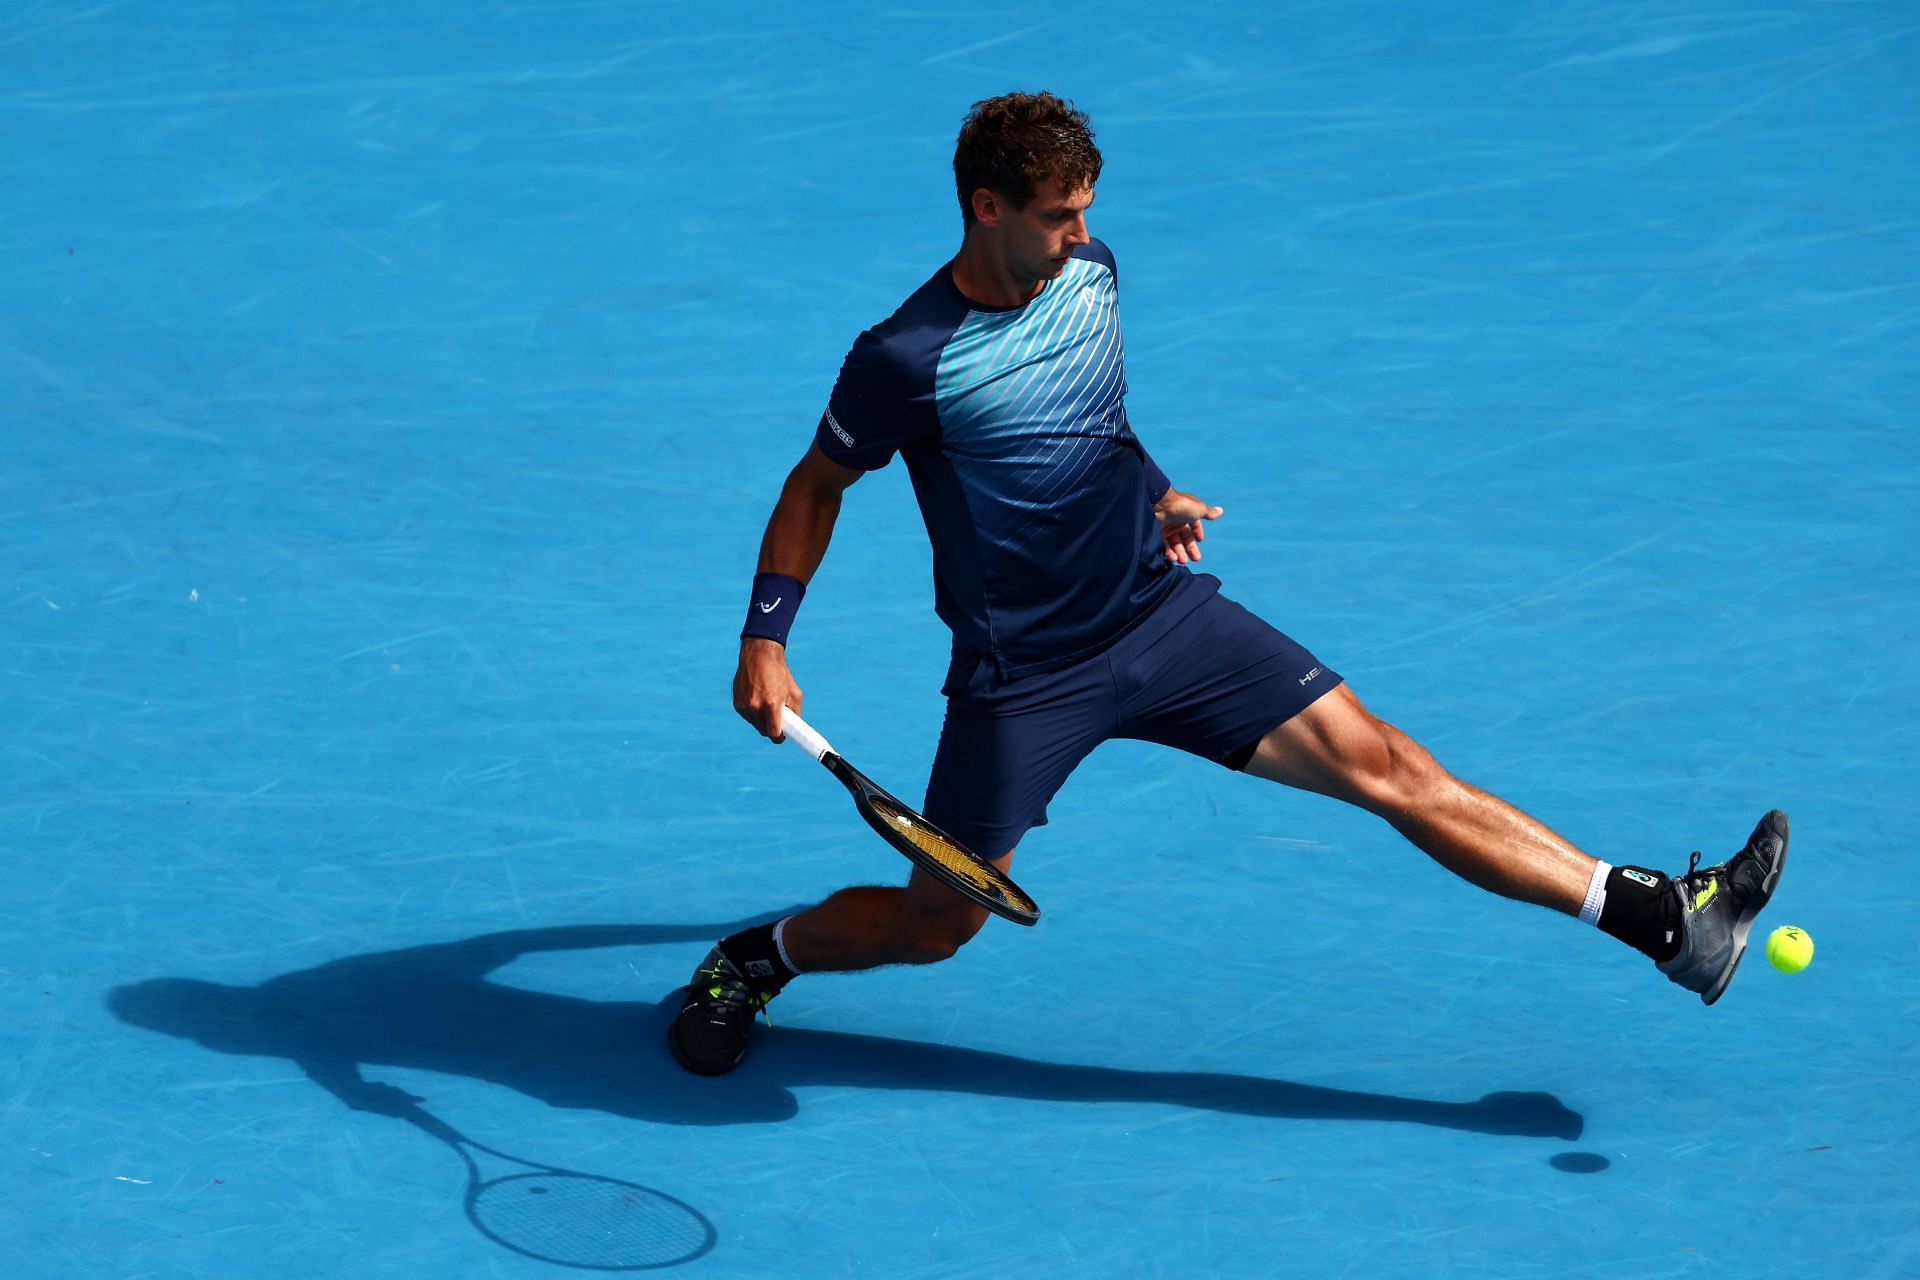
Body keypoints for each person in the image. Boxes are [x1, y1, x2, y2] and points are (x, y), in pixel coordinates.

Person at [668, 91, 1788, 1076]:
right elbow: (816, 486)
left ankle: (1661, 919)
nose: (1082, 233)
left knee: (1391, 765)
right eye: (1058, 213)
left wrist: (1153, 493)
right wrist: (766, 637)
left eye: (1086, 207)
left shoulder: (1092, 276)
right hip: (1025, 680)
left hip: (1159, 614)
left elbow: (1096, 424)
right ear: (984, 206)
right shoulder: (903, 357)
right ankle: (755, 958)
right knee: (935, 923)